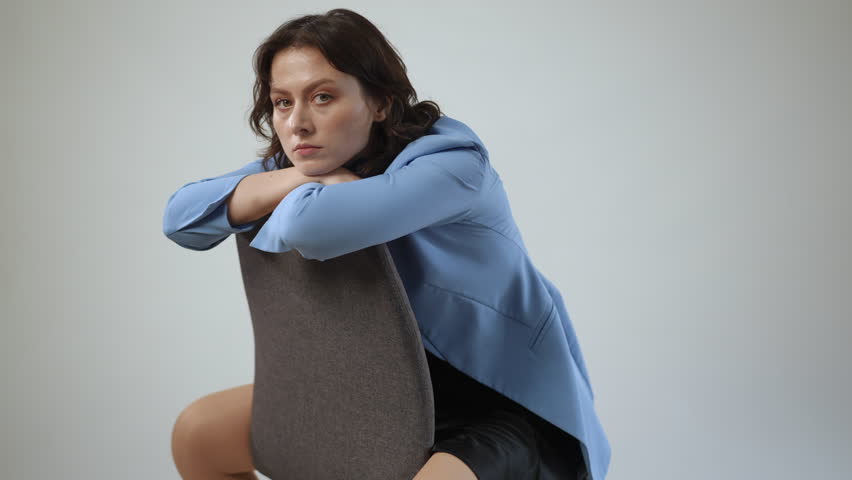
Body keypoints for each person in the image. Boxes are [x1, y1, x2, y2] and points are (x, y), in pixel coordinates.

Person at [164, 8, 610, 480]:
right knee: (200, 434)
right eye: (282, 102)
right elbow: (181, 217)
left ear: (379, 101)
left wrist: (290, 186)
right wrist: (304, 175)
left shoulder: (453, 165)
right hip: (378, 391)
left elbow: (310, 227)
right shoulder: (313, 162)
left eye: (322, 97)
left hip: (498, 402)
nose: (298, 124)